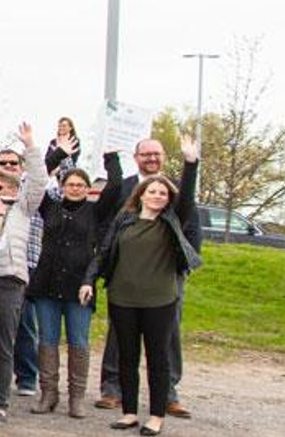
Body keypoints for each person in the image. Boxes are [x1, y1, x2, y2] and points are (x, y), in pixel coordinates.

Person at [82, 172, 200, 436]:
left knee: (158, 359)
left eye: (163, 193)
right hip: (122, 299)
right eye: (152, 191)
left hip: (160, 301)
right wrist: (88, 280)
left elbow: (188, 199)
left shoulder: (171, 221)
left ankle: (156, 416)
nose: (157, 196)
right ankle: (130, 413)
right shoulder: (124, 220)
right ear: (141, 194)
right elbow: (104, 252)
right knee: (127, 357)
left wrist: (190, 164)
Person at [0, 125, 47, 422]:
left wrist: (30, 146)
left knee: (4, 346)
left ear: (15, 189)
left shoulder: (23, 208)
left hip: (8, 282)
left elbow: (39, 181)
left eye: (1, 187)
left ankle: (0, 403)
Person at [28, 167, 111, 418]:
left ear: (88, 188)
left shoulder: (96, 211)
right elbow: (36, 176)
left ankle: (77, 397)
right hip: (47, 286)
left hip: (79, 288)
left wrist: (111, 156)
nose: (75, 188)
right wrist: (52, 153)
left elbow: (115, 186)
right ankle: (48, 393)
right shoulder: (49, 206)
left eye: (80, 185)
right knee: (47, 340)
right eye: (70, 184)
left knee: (79, 342)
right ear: (62, 186)